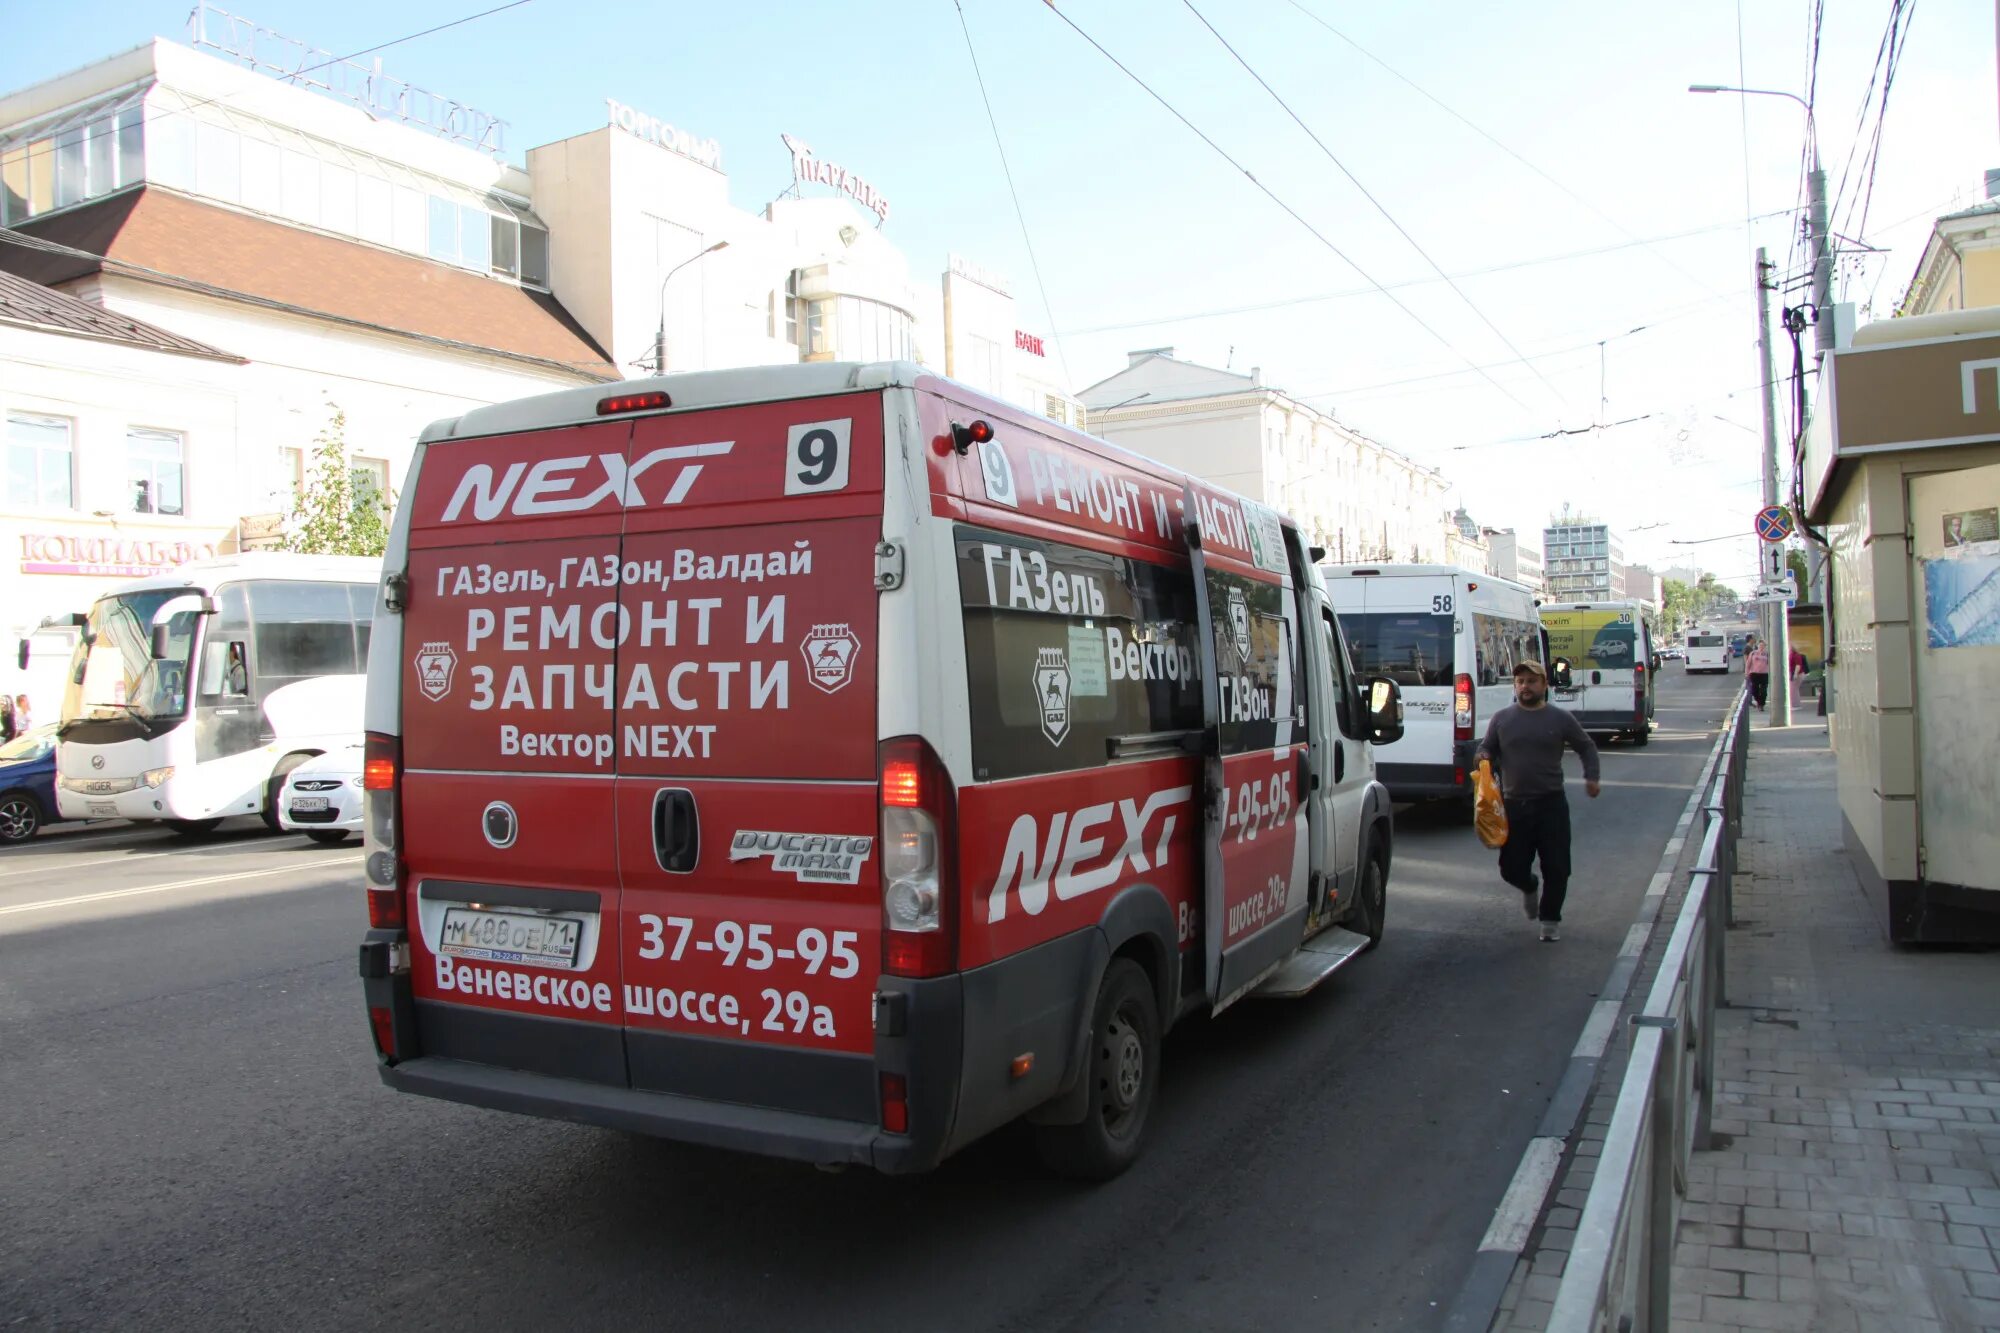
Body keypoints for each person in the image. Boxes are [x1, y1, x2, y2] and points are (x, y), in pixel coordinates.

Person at [1475, 660, 1602, 942]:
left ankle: (1550, 919)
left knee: (1557, 867)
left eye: (1532, 681)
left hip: (1551, 804)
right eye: (1520, 681)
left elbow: (1586, 746)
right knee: (1511, 868)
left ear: (1545, 685)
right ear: (1515, 686)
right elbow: (1486, 748)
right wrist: (1483, 756)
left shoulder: (1559, 719)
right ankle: (1529, 886)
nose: (1525, 686)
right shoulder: (1502, 719)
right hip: (1514, 806)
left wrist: (1591, 776)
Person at [1746, 638, 1771, 710]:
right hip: (1754, 673)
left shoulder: (1767, 654)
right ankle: (1758, 701)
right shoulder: (1753, 653)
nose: (1761, 647)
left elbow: (1771, 664)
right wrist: (1747, 673)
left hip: (1764, 674)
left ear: (1765, 647)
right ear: (1758, 646)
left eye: (1763, 646)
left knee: (1763, 691)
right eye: (1760, 645)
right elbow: (1748, 664)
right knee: (1754, 690)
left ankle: (1761, 705)